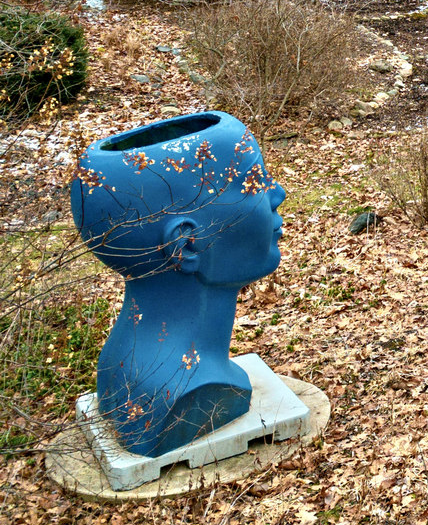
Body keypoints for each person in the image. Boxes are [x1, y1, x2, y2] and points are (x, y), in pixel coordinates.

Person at [71, 111, 286, 458]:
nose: (278, 194)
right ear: (186, 247)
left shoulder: (118, 366)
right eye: (253, 184)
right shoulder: (187, 389)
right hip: (186, 386)